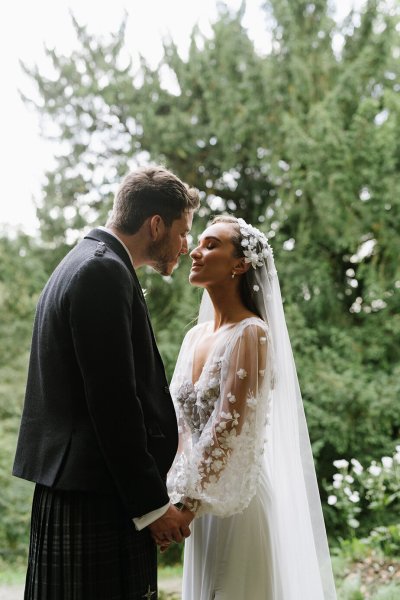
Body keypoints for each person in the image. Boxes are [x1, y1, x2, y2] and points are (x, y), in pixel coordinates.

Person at [12, 165, 200, 600]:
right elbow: (114, 404)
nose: (185, 246)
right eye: (183, 231)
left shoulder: (88, 260)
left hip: (82, 488)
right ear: (156, 225)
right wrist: (152, 507)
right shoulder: (102, 272)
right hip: (95, 495)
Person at [164, 215, 337, 599]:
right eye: (199, 243)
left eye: (211, 245)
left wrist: (186, 507)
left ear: (240, 265)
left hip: (236, 506)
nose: (195, 250)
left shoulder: (252, 333)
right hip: (198, 505)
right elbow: (181, 429)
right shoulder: (193, 337)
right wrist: (170, 503)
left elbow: (228, 425)